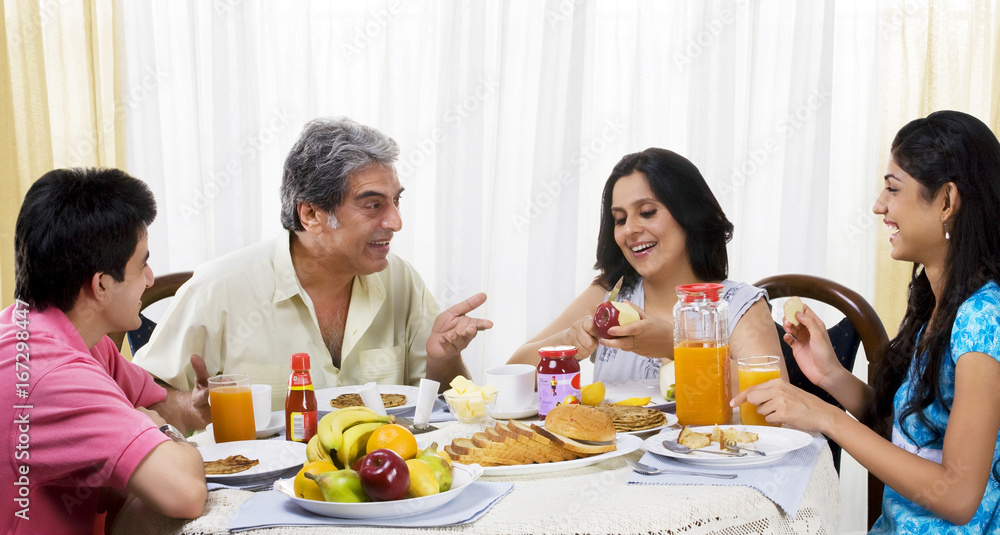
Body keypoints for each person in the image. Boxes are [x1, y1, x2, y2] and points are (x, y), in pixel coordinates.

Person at [732, 110, 1000, 532]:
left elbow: (959, 496)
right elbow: (914, 433)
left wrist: (826, 416)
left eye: (893, 189)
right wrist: (831, 376)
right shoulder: (939, 301)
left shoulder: (984, 318)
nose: (879, 206)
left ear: (947, 201)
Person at [132, 117, 493, 408]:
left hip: (379, 488)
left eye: (396, 201)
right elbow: (139, 398)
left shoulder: (401, 281)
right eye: (373, 205)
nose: (396, 222)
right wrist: (187, 406)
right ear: (311, 214)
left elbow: (443, 409)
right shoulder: (220, 288)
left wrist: (444, 358)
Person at [0, 168, 207, 534]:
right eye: (141, 263)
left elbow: (154, 403)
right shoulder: (52, 375)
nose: (149, 277)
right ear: (101, 285)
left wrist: (191, 408)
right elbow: (184, 491)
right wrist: (163, 432)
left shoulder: (62, 331)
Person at [509, 148, 784, 390]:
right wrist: (568, 341)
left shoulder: (738, 305)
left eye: (648, 212)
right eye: (620, 219)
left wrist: (674, 346)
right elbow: (512, 375)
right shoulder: (609, 295)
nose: (629, 229)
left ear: (689, 214)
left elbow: (774, 396)